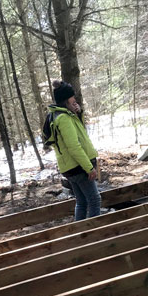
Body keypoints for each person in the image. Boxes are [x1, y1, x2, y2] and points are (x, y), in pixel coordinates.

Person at [48, 80, 101, 221]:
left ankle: (80, 234)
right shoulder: (64, 118)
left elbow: (78, 133)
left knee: (82, 201)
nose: (75, 100)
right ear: (66, 100)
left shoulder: (61, 115)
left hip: (70, 167)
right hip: (78, 167)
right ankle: (95, 236)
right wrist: (89, 168)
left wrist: (78, 114)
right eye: (72, 97)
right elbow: (74, 146)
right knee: (94, 200)